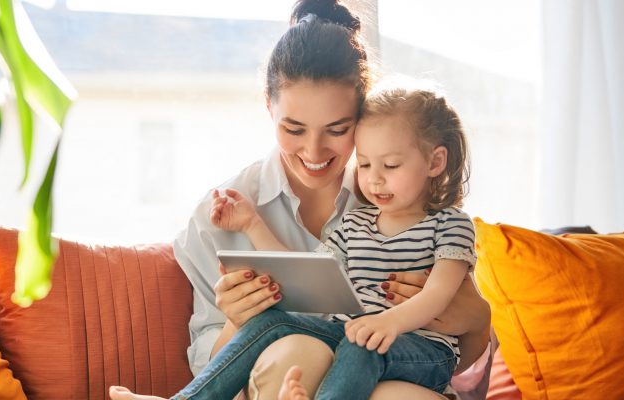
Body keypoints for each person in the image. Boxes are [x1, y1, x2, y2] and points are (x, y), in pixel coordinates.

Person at [110, 0, 491, 399]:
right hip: (291, 371)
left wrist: (477, 321)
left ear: (362, 115)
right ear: (268, 106)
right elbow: (303, 279)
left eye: (337, 128)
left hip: (395, 371)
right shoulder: (220, 216)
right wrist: (237, 320)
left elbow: (465, 376)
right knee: (297, 349)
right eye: (293, 128)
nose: (314, 151)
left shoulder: (405, 203)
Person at [193, 81, 477, 399]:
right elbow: (308, 273)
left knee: (361, 344)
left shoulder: (451, 224)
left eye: (391, 165)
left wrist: (388, 323)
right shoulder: (354, 224)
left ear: (435, 163)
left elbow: (438, 293)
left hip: (423, 352)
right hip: (356, 336)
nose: (374, 178)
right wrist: (251, 224)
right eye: (365, 164)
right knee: (272, 321)